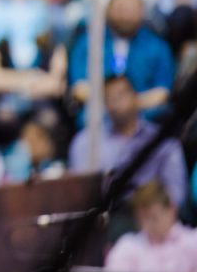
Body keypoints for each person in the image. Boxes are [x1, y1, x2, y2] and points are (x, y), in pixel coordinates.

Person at [68, 77, 188, 208]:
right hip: (104, 217)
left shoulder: (164, 141)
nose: (115, 102)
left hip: (151, 216)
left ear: (135, 97)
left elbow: (177, 194)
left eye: (121, 94)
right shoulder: (85, 142)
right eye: (108, 98)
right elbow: (80, 197)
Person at [68, 0, 175, 118]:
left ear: (142, 12)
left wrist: (129, 105)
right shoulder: (88, 42)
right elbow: (79, 88)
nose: (126, 15)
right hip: (98, 116)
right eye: (121, 8)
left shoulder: (157, 46)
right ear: (107, 10)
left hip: (144, 116)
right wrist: (113, 103)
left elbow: (162, 92)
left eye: (132, 9)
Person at [104, 180, 197, 272]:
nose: (147, 225)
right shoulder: (128, 246)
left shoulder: (193, 241)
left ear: (171, 210)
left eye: (154, 218)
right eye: (142, 219)